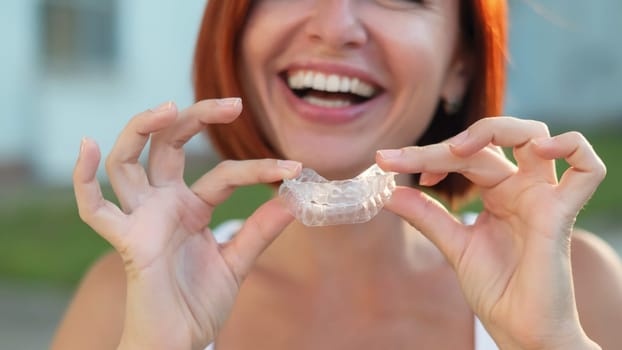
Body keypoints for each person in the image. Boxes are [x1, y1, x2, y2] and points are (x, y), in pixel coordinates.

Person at [51, 0, 622, 349]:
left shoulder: (577, 290)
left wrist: (548, 344)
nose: (335, 26)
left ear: (460, 65)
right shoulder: (127, 301)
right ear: (239, 31)